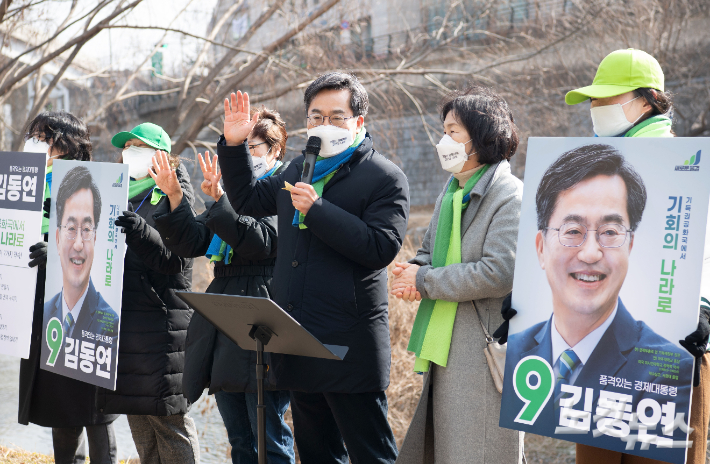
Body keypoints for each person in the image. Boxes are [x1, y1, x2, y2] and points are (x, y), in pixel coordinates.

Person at [217, 72, 408, 463]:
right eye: (316, 116)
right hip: (298, 337)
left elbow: (381, 247)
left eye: (337, 116)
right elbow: (249, 200)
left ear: (358, 121)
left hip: (348, 344)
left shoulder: (384, 177)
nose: (324, 125)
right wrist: (235, 145)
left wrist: (318, 210)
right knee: (317, 453)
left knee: (370, 453)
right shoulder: (296, 171)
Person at [500, 144, 693, 459]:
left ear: (629, 246)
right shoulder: (519, 348)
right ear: (540, 249)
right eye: (572, 231)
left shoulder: (664, 368)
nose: (590, 253)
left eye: (610, 232)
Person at [152, 108, 295, 464]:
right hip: (224, 315)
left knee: (270, 437)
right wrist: (175, 198)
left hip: (267, 306)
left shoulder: (285, 188)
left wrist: (220, 201)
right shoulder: (229, 193)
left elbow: (261, 241)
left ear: (275, 150)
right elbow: (192, 242)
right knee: (240, 439)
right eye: (239, 147)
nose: (245, 155)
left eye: (253, 146)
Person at [390, 86, 524, 463]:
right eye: (444, 130)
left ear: (483, 138)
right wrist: (412, 270)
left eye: (453, 132)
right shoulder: (452, 191)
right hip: (448, 345)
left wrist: (424, 281)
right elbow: (430, 252)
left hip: (481, 349)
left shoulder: (510, 195)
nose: (442, 141)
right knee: (449, 450)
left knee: (477, 450)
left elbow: (499, 272)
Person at [95, 122, 200, 464]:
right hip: (123, 324)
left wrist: (140, 231)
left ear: (163, 156)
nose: (130, 152)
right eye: (127, 147)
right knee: (140, 424)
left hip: (160, 327)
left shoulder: (175, 196)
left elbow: (175, 261)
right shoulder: (116, 193)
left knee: (171, 427)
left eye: (139, 147)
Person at [19, 112, 119, 464]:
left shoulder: (99, 184)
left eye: (44, 137)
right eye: (34, 136)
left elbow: (110, 254)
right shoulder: (23, 184)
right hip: (42, 313)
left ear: (67, 145)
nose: (37, 143)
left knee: (96, 409)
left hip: (90, 316)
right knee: (60, 407)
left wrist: (58, 253)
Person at [44, 166, 119, 364]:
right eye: (70, 228)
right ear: (57, 238)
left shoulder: (110, 323)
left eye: (86, 229)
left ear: (95, 238)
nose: (78, 244)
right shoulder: (43, 314)